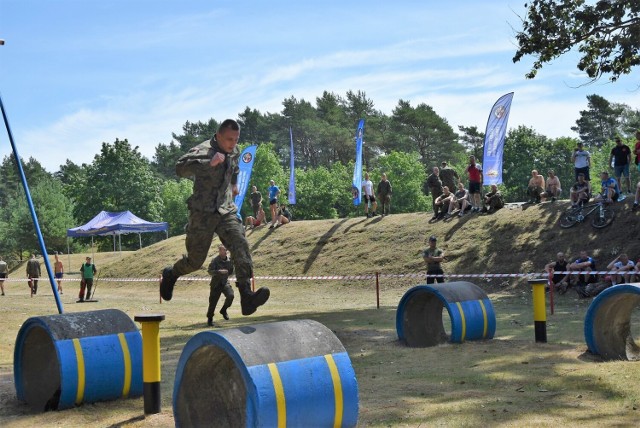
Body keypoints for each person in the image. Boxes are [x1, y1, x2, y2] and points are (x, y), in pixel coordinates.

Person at [160, 119, 269, 316]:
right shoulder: (203, 151)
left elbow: (234, 167)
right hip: (202, 213)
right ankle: (171, 273)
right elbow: (179, 169)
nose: (233, 144)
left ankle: (246, 296)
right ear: (218, 136)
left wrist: (234, 184)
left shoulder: (234, 151)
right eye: (229, 139)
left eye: (236, 140)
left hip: (225, 210)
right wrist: (209, 165)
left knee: (240, 244)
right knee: (195, 261)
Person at [206, 245, 235, 326]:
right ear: (219, 251)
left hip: (225, 282)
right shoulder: (215, 260)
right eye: (222, 250)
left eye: (225, 250)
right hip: (216, 284)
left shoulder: (229, 261)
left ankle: (223, 310)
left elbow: (232, 271)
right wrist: (219, 272)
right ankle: (210, 319)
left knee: (231, 295)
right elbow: (210, 271)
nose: (224, 252)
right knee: (213, 303)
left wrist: (229, 272)